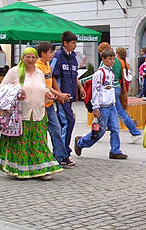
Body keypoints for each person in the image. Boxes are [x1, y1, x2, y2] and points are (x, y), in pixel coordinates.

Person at [0, 47, 62, 180]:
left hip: (38, 112)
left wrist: (48, 94)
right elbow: (2, 88)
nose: (31, 60)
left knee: (39, 142)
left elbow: (42, 88)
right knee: (21, 143)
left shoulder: (39, 73)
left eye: (33, 57)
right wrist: (16, 94)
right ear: (22, 58)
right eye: (28, 57)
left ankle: (43, 169)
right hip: (21, 113)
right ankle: (21, 169)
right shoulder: (15, 72)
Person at [74, 48, 128, 160]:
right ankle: (81, 142)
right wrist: (96, 107)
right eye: (109, 59)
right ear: (103, 59)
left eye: (113, 58)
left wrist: (113, 102)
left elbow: (110, 89)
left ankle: (115, 151)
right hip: (102, 107)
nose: (112, 61)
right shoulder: (99, 73)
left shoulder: (111, 73)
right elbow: (96, 90)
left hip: (111, 105)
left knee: (115, 129)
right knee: (100, 131)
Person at [88, 42, 143, 143]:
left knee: (120, 113)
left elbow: (98, 83)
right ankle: (127, 136)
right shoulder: (119, 61)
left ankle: (135, 132)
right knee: (118, 114)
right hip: (116, 88)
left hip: (109, 90)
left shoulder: (106, 63)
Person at [36, 41, 73, 168]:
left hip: (49, 104)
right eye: (50, 52)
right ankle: (44, 158)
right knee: (42, 132)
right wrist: (60, 95)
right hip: (40, 105)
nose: (52, 54)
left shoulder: (47, 65)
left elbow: (52, 81)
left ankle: (59, 157)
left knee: (56, 129)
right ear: (43, 53)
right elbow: (44, 86)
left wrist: (58, 94)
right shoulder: (38, 66)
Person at [52, 31, 86, 162]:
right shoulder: (58, 56)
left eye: (76, 42)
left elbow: (75, 74)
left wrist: (81, 87)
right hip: (62, 96)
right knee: (67, 121)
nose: (75, 45)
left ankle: (61, 151)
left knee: (65, 123)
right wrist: (58, 93)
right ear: (65, 43)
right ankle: (62, 153)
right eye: (73, 43)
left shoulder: (73, 57)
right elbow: (53, 76)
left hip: (70, 95)